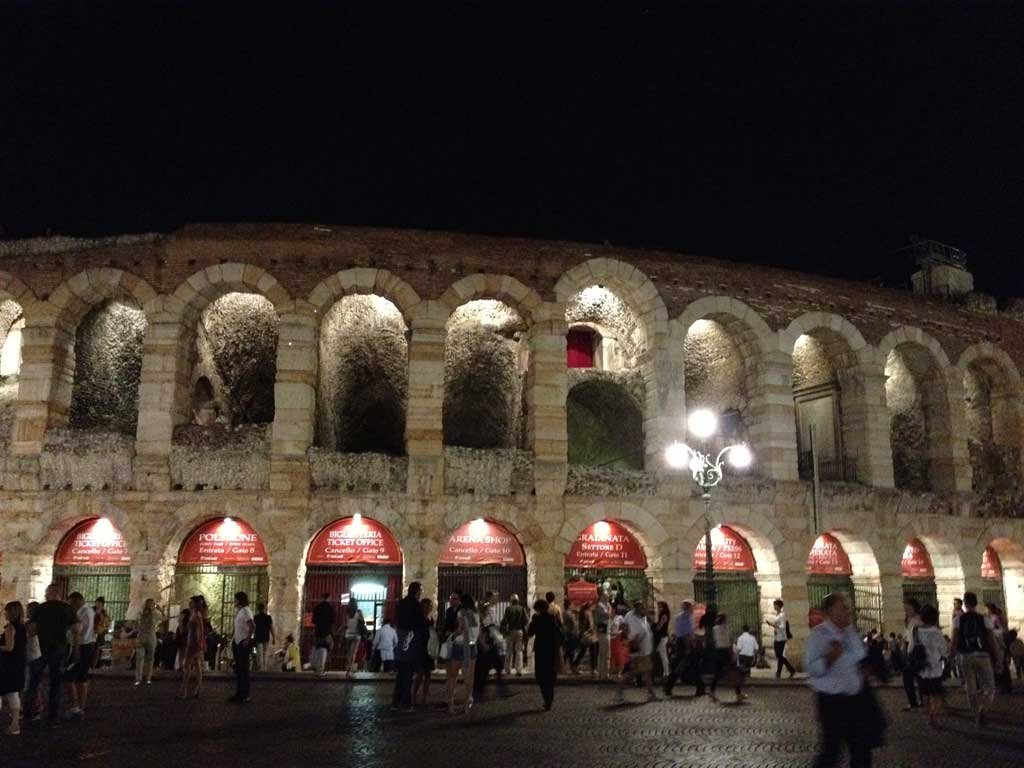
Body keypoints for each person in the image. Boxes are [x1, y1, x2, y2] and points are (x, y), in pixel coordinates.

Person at [805, 592, 874, 768]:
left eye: (847, 608)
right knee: (831, 751)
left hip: (856, 699)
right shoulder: (818, 635)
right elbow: (812, 669)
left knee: (862, 749)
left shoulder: (851, 632)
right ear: (830, 612)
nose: (847, 611)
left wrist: (864, 669)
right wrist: (830, 657)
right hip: (831, 702)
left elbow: (859, 656)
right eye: (842, 608)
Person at [25, 584, 78, 724]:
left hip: (41, 649)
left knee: (34, 681)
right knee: (56, 682)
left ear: (51, 592)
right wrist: (76, 649)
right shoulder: (67, 608)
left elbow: (32, 630)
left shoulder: (40, 608)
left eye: (46, 592)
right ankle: (53, 716)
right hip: (59, 648)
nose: (45, 595)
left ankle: (30, 712)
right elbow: (76, 630)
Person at [951, 591, 999, 728]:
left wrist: (951, 656)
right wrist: (998, 657)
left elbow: (954, 641)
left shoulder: (958, 620)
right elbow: (992, 641)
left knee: (970, 687)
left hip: (965, 656)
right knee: (990, 687)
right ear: (976, 603)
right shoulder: (984, 619)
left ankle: (976, 716)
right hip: (983, 656)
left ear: (965, 604)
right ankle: (983, 709)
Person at [908, 604, 946, 728]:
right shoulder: (937, 632)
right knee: (936, 695)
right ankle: (934, 716)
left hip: (921, 668)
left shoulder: (915, 630)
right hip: (935, 668)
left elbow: (910, 649)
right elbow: (943, 650)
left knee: (925, 694)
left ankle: (929, 716)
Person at [392, 581, 425, 711]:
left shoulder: (401, 603)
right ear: (417, 591)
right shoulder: (416, 605)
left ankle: (396, 701)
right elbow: (420, 624)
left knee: (401, 672)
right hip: (410, 639)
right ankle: (405, 702)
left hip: (401, 639)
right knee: (408, 672)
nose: (421, 593)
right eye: (421, 591)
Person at [616, 600, 657, 704]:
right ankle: (620, 688)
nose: (645, 609)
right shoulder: (629, 616)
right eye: (643, 608)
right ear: (637, 608)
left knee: (643, 672)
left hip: (646, 649)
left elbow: (650, 626)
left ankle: (651, 694)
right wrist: (630, 638)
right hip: (638, 649)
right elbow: (623, 627)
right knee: (638, 672)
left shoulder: (643, 617)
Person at [445, 592, 479, 714]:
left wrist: (452, 636)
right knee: (468, 678)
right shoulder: (476, 614)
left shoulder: (462, 612)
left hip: (460, 645)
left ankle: (451, 705)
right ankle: (466, 705)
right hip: (471, 645)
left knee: (452, 677)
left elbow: (461, 629)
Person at [527, 599, 563, 710]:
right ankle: (549, 697)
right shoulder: (553, 618)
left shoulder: (536, 618)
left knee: (541, 675)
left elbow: (530, 632)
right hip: (551, 649)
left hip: (541, 649)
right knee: (550, 673)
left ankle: (546, 698)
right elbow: (560, 632)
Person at [63, 592, 94, 719]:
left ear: (77, 601)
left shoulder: (83, 612)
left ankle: (75, 706)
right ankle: (81, 707)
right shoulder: (88, 611)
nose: (70, 606)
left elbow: (78, 630)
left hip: (80, 646)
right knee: (82, 678)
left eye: (71, 603)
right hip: (86, 645)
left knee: (68, 677)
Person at [0, 601, 26, 735]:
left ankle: (15, 725)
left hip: (8, 664)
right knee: (13, 693)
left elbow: (9, 647)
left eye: (7, 611)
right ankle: (15, 724)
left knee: (8, 692)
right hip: (18, 663)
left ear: (12, 613)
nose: (5, 613)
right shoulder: (22, 626)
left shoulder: (11, 627)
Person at [228, 591, 254, 703]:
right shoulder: (241, 611)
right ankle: (239, 693)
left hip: (243, 643)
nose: (234, 601)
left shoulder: (246, 611)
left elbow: (252, 625)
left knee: (243, 669)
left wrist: (247, 639)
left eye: (235, 599)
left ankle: (245, 695)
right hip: (238, 642)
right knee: (239, 670)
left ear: (239, 600)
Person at [709, 613, 739, 702]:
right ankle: (738, 693)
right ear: (724, 620)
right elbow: (729, 641)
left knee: (717, 673)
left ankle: (711, 691)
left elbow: (714, 640)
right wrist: (732, 653)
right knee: (733, 672)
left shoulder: (714, 628)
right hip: (726, 652)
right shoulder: (726, 628)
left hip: (718, 651)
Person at [180, 597, 206, 699]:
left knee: (187, 666)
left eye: (191, 602)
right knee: (197, 666)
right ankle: (198, 689)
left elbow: (201, 630)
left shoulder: (197, 614)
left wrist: (201, 642)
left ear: (194, 604)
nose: (189, 603)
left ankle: (184, 691)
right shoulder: (193, 614)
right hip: (193, 642)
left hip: (193, 643)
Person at [413, 598, 437, 707]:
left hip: (428, 649)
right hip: (421, 648)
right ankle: (414, 695)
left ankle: (424, 696)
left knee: (428, 674)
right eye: (427, 606)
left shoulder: (429, 619)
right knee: (420, 673)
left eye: (430, 606)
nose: (428, 608)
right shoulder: (419, 619)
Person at [133, 598, 162, 686]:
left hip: (147, 637)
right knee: (141, 658)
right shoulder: (143, 613)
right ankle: (141, 678)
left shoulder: (155, 614)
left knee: (148, 658)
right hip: (145, 637)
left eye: (151, 604)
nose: (150, 606)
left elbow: (136, 625)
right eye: (149, 604)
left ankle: (145, 678)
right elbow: (136, 625)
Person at [901, 598, 922, 711]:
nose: (906, 610)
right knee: (911, 677)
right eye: (905, 608)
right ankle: (914, 701)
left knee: (914, 676)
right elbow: (907, 635)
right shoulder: (908, 619)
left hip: (916, 651)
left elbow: (917, 638)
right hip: (909, 650)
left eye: (908, 608)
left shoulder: (918, 620)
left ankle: (917, 701)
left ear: (914, 607)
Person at [766, 599, 795, 679]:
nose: (774, 606)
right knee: (779, 656)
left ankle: (786, 671)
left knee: (779, 655)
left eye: (775, 605)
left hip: (781, 638)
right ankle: (784, 672)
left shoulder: (782, 615)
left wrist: (772, 625)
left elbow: (782, 626)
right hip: (777, 637)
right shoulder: (777, 615)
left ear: (778, 606)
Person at [500, 593, 528, 676]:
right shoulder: (522, 608)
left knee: (509, 650)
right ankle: (518, 669)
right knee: (519, 650)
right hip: (519, 631)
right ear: (518, 600)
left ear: (511, 600)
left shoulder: (508, 609)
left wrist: (503, 630)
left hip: (510, 631)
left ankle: (507, 669)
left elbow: (504, 621)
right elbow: (526, 620)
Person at [311, 593, 335, 675]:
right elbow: (333, 621)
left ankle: (315, 666)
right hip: (326, 632)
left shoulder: (317, 607)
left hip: (318, 631)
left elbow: (313, 620)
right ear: (329, 598)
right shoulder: (330, 608)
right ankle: (320, 669)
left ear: (322, 597)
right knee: (325, 649)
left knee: (318, 648)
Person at [734, 624, 758, 700]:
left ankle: (740, 690)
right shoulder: (752, 638)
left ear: (742, 630)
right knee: (746, 672)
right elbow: (756, 648)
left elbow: (738, 649)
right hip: (750, 657)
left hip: (742, 657)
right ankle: (744, 688)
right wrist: (755, 657)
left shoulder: (740, 638)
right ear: (749, 629)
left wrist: (736, 658)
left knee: (741, 674)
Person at [343, 600, 367, 678]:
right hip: (356, 635)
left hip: (348, 635)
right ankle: (349, 671)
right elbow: (362, 623)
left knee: (348, 653)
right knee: (353, 653)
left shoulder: (347, 613)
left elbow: (345, 624)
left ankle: (347, 670)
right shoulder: (359, 612)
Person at [573, 601, 598, 674]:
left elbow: (582, 625)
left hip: (585, 635)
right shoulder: (587, 613)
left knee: (583, 651)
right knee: (593, 651)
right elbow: (589, 625)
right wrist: (591, 630)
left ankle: (575, 665)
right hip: (589, 635)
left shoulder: (583, 612)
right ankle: (593, 669)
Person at [593, 592, 612, 680]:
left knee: (605, 653)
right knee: (604, 653)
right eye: (606, 597)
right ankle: (603, 674)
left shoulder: (603, 606)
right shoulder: (600, 607)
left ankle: (604, 673)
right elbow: (608, 615)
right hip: (603, 632)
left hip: (606, 631)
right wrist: (610, 608)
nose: (608, 598)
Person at [252, 604, 274, 672]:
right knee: (265, 653)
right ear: (264, 609)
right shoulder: (268, 617)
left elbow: (253, 628)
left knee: (260, 653)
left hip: (258, 637)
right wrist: (274, 637)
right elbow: (271, 628)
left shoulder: (255, 617)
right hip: (266, 637)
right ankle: (264, 668)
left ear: (258, 609)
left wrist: (252, 636)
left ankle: (260, 668)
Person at [653, 601, 671, 681]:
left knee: (663, 655)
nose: (658, 609)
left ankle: (666, 673)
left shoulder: (663, 616)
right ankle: (665, 672)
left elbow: (659, 627)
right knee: (663, 655)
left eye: (660, 607)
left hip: (662, 637)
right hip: (662, 637)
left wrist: (654, 626)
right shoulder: (662, 615)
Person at [949, 597, 964, 681]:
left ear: (960, 604)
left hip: (959, 639)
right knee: (957, 660)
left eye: (955, 603)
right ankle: (960, 677)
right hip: (957, 638)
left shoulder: (960, 614)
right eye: (953, 603)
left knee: (959, 660)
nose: (954, 605)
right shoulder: (955, 612)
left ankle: (962, 677)